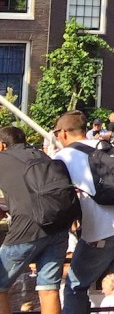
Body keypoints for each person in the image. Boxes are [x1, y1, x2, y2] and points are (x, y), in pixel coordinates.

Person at [52, 110, 114, 314]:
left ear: (64, 133)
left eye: (56, 132)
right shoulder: (107, 146)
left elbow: (57, 198)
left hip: (101, 231)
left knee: (75, 286)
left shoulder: (63, 157)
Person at [0, 126, 73, 314]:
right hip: (57, 227)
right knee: (49, 289)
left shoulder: (2, 159)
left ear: (2, 145)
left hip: (26, 230)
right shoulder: (43, 156)